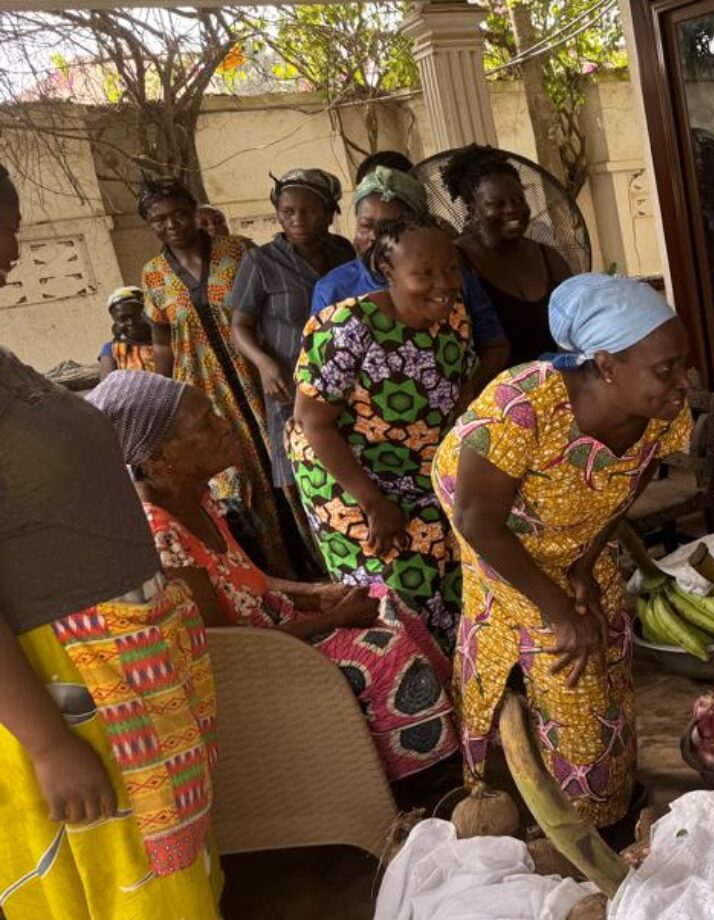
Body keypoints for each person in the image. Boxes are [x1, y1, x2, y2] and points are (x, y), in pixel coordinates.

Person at [0, 164, 221, 919]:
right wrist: (48, 744)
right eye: (2, 228)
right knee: (127, 889)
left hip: (125, 656)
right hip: (64, 685)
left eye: (12, 224)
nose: (13, 248)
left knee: (173, 879)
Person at [89, 371, 460, 782]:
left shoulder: (194, 496)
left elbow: (243, 580)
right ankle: (412, 781)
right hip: (261, 665)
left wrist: (315, 593)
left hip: (279, 630)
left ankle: (443, 754)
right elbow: (226, 650)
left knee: (391, 600)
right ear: (158, 458)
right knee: (384, 654)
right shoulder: (160, 535)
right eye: (206, 424)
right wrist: (332, 620)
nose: (223, 423)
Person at [434, 272, 692, 829]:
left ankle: (612, 792)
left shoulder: (663, 411)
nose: (683, 383)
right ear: (604, 365)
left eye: (683, 363)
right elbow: (477, 520)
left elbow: (627, 484)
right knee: (564, 657)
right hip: (497, 532)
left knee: (607, 639)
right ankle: (574, 826)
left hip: (576, 526)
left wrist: (584, 562)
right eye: (666, 369)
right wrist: (556, 608)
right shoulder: (518, 407)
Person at [289, 214, 478, 652]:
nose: (443, 283)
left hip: (419, 464)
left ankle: (449, 680)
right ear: (387, 271)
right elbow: (312, 421)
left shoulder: (454, 319)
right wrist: (373, 503)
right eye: (424, 273)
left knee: (447, 572)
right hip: (346, 473)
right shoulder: (346, 328)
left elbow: (460, 390)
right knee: (391, 588)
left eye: (451, 268)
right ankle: (398, 690)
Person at [139, 176, 299, 577]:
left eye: (178, 213)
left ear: (194, 211)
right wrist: (160, 397)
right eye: (159, 219)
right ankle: (271, 572)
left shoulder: (237, 251)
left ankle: (312, 557)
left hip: (258, 377)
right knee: (233, 479)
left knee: (285, 461)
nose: (171, 224)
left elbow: (268, 311)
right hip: (204, 390)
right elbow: (162, 342)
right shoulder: (154, 276)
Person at [229, 168, 356, 560]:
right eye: (288, 212)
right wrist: (264, 362)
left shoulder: (344, 253)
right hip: (289, 386)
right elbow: (240, 324)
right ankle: (326, 562)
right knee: (304, 478)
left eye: (308, 212)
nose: (297, 220)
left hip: (347, 383)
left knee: (350, 470)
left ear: (330, 212)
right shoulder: (260, 262)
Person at [311, 165, 511, 388]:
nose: (375, 237)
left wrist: (468, 394)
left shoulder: (451, 279)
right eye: (365, 225)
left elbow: (495, 346)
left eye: (391, 228)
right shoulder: (334, 290)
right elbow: (320, 384)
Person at [439, 144, 574, 365]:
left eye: (518, 200)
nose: (512, 209)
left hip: (553, 384)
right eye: (497, 204)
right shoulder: (456, 261)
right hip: (493, 392)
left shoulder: (549, 258)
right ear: (473, 211)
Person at [97, 286, 157, 377]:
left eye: (137, 316)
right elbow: (107, 384)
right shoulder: (111, 349)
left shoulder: (167, 343)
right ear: (115, 322)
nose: (131, 322)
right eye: (122, 319)